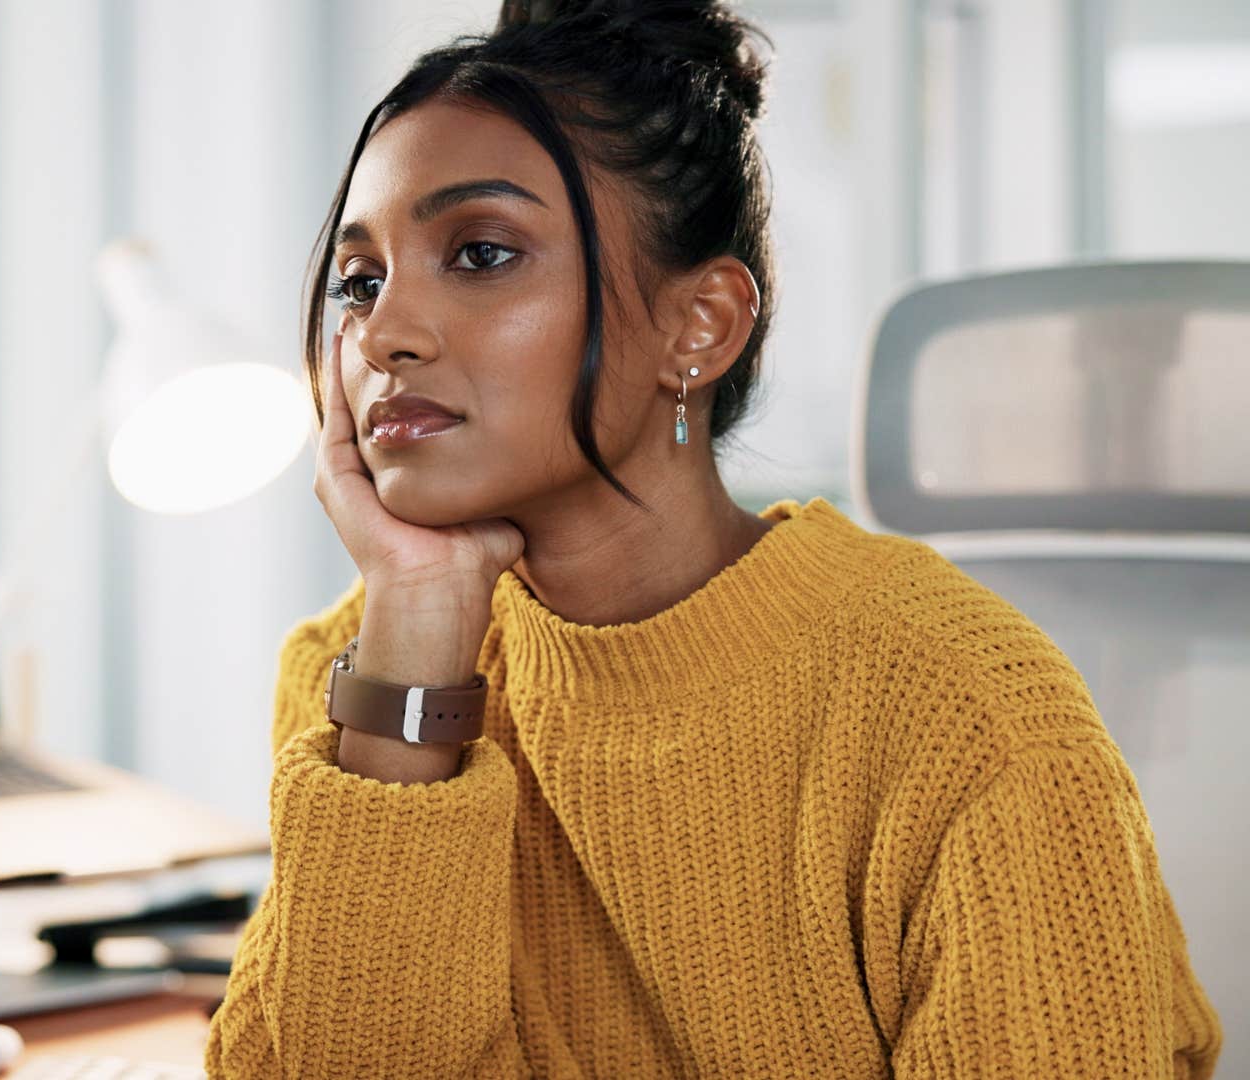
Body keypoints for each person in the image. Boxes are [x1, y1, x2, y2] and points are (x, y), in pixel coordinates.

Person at [202, 0, 1223, 1076]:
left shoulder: (967, 720)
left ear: (700, 328)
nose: (384, 335)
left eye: (483, 253)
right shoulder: (361, 674)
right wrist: (412, 632)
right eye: (359, 281)